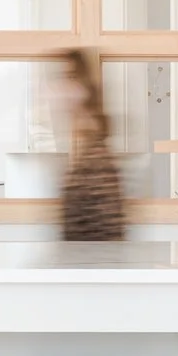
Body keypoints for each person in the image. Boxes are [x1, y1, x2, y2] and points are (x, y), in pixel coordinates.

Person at [55, 47, 125, 242]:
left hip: (93, 263)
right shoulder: (83, 145)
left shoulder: (95, 154)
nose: (59, 90)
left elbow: (104, 226)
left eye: (69, 78)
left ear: (83, 88)